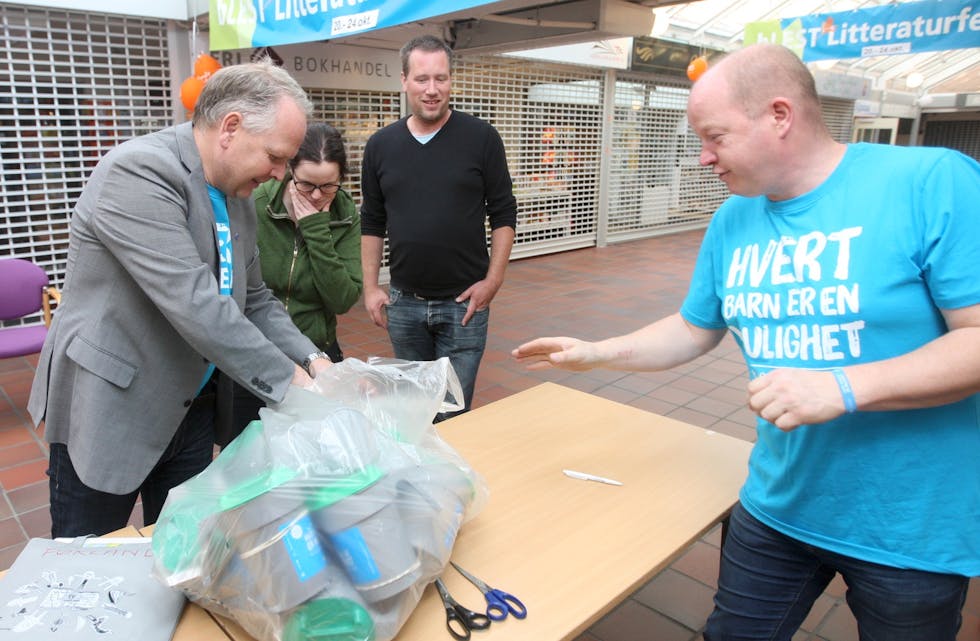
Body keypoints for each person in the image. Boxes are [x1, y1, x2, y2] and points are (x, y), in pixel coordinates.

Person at [513, 43, 980, 640]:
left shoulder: (929, 183)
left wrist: (846, 386)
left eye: (715, 137)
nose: (703, 158)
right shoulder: (733, 220)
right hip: (778, 504)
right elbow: (693, 328)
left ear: (779, 115)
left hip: (909, 527)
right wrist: (598, 352)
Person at [28, 59, 335, 538]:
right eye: (275, 156)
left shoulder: (237, 196)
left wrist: (315, 360)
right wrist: (293, 382)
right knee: (84, 558)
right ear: (230, 127)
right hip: (111, 404)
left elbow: (253, 300)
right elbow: (196, 303)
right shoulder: (138, 173)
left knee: (181, 547)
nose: (279, 174)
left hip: (188, 403)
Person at [360, 35, 517, 420]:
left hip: (464, 305)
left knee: (453, 414)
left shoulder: (482, 138)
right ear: (404, 80)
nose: (432, 90)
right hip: (405, 305)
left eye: (441, 79)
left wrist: (493, 281)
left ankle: (452, 481)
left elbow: (503, 212)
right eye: (422, 79)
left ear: (451, 81)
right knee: (414, 413)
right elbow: (372, 220)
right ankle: (421, 480)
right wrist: (369, 287)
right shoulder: (380, 145)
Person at [229, 122, 362, 437]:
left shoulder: (344, 215)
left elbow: (342, 299)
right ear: (289, 170)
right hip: (255, 354)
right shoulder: (255, 204)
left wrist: (316, 230)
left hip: (318, 350)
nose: (316, 196)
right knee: (251, 451)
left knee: (314, 453)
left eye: (328, 186)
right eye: (306, 185)